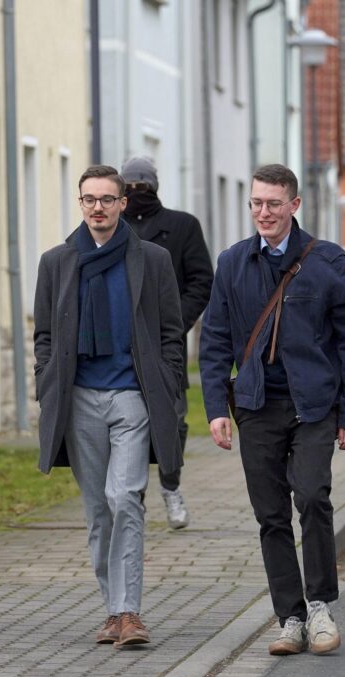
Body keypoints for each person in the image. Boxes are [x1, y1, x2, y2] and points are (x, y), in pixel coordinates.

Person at [199, 164, 345, 656]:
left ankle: (320, 607)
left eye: (273, 203)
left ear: (294, 205)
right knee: (270, 514)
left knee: (313, 495)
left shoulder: (328, 261)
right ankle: (291, 618)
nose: (264, 212)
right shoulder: (232, 263)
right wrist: (215, 407)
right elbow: (214, 341)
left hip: (314, 405)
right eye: (256, 203)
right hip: (256, 407)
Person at [33, 165, 184, 648]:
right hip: (79, 400)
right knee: (98, 509)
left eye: (106, 199)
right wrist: (46, 382)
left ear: (122, 204)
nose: (97, 207)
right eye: (89, 199)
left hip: (132, 397)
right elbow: (44, 335)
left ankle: (129, 612)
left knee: (126, 498)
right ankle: (112, 610)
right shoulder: (57, 262)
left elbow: (171, 332)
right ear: (80, 204)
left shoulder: (152, 260)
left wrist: (168, 383)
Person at [120, 156, 213, 530]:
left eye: (143, 185)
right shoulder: (112, 227)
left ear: (155, 186)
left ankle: (171, 486)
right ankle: (134, 498)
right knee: (128, 422)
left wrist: (175, 324)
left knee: (173, 421)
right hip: (121, 344)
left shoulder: (182, 226)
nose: (137, 192)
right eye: (130, 186)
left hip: (165, 343)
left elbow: (201, 281)